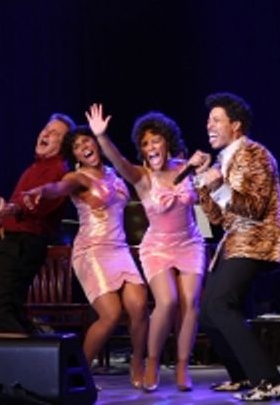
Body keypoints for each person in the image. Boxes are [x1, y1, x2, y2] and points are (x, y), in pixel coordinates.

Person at [86, 104, 205, 391]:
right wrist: (101, 138)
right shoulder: (141, 177)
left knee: (190, 304)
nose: (150, 147)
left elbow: (204, 205)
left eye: (156, 140)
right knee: (168, 302)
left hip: (190, 243)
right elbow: (118, 160)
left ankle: (182, 365)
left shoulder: (185, 167)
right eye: (145, 144)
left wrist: (208, 172)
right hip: (158, 247)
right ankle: (151, 362)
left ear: (167, 142)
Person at [23, 124, 150, 390]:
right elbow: (59, 187)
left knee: (139, 306)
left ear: (96, 143)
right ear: (76, 156)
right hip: (91, 251)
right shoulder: (77, 178)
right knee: (111, 314)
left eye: (87, 142)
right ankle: (80, 372)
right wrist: (42, 191)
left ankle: (138, 362)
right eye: (77, 147)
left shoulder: (114, 174)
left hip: (119, 248)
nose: (84, 148)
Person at [190, 92, 280, 402]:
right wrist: (203, 184)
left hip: (258, 240)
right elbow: (218, 218)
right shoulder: (223, 159)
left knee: (220, 304)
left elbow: (255, 208)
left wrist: (218, 184)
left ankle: (272, 380)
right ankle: (243, 376)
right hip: (233, 241)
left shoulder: (255, 154)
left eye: (216, 120)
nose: (209, 125)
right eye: (208, 120)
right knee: (207, 312)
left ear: (235, 125)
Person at [0, 113, 73, 334]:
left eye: (54, 133)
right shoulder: (35, 168)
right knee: (11, 308)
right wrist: (5, 216)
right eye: (46, 128)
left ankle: (26, 360)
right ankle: (34, 356)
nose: (46, 133)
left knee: (0, 308)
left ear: (64, 144)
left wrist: (14, 209)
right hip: (17, 242)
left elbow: (39, 204)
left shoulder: (58, 170)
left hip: (25, 243)